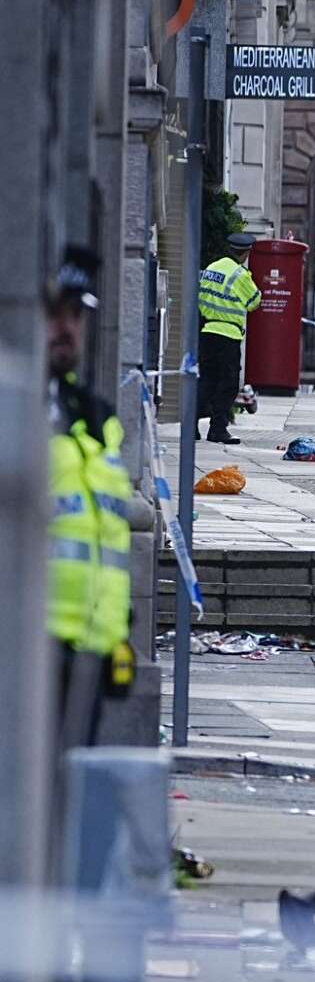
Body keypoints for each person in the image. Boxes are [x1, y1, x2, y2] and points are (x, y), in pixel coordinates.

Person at [47, 248, 135, 755]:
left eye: (76, 314)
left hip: (89, 658)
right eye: (54, 311)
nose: (67, 328)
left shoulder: (96, 419)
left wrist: (117, 637)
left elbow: (106, 540)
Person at [197, 231, 262, 444]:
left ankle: (191, 427)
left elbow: (199, 296)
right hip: (229, 335)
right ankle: (217, 429)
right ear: (246, 253)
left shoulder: (211, 268)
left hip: (207, 331)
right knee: (227, 385)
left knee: (206, 381)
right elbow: (254, 301)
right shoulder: (240, 275)